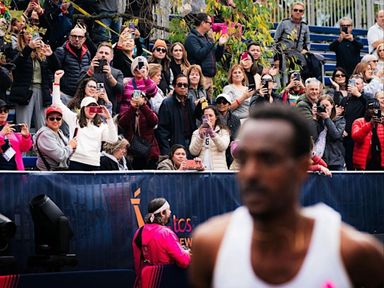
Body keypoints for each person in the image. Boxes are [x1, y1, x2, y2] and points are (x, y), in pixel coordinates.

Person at [190, 104, 384, 288]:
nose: (251, 173)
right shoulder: (211, 245)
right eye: (245, 159)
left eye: (268, 159)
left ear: (300, 168)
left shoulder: (349, 250)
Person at [52, 70, 118, 170]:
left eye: (94, 107)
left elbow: (113, 139)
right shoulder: (74, 119)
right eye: (89, 107)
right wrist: (56, 81)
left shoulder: (100, 125)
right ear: (83, 108)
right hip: (76, 161)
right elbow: (57, 104)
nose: (91, 110)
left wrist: (109, 118)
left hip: (94, 163)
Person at [132, 197, 191, 288]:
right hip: (165, 282)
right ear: (162, 213)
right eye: (168, 210)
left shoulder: (138, 233)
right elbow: (184, 261)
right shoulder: (166, 233)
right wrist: (187, 253)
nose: (170, 212)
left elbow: (137, 265)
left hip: (144, 284)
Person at [10, 30, 53, 130]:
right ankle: (23, 145)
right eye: (27, 33)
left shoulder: (42, 53)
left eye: (33, 34)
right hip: (25, 91)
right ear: (21, 36)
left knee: (42, 125)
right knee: (23, 125)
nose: (30, 36)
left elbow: (55, 68)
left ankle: (41, 145)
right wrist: (28, 48)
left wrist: (51, 55)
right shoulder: (16, 50)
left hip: (41, 90)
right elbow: (15, 65)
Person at [184, 12, 228, 96]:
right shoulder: (192, 38)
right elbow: (199, 54)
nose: (211, 25)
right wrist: (211, 42)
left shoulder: (207, 38)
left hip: (210, 78)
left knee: (209, 105)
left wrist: (220, 45)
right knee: (201, 102)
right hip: (199, 77)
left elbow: (217, 58)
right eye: (210, 23)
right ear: (203, 23)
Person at [118, 89, 160, 170]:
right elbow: (122, 123)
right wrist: (132, 108)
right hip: (133, 151)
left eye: (141, 97)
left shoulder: (148, 111)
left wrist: (143, 106)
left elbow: (154, 121)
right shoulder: (128, 111)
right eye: (135, 97)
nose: (137, 99)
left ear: (145, 100)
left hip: (149, 150)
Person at [49, 26, 91, 103]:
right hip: (64, 94)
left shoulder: (87, 53)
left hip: (80, 96)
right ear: (69, 37)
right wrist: (55, 89)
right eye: (74, 36)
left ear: (84, 39)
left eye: (80, 37)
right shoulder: (61, 51)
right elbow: (52, 70)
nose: (77, 39)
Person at [79, 41, 124, 115]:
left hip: (107, 112)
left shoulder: (117, 72)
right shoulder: (86, 69)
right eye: (101, 52)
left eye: (106, 53)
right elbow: (78, 86)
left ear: (111, 57)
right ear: (96, 54)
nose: (103, 55)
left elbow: (120, 91)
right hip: (86, 111)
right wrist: (90, 71)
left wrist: (109, 76)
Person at [157, 74, 197, 155]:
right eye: (179, 85)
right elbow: (162, 130)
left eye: (185, 85)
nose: (182, 87)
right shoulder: (167, 103)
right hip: (174, 144)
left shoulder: (190, 102)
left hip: (190, 143)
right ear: (174, 86)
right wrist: (167, 151)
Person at [33, 105, 77, 171]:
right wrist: (70, 146)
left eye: (58, 118)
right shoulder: (45, 134)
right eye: (52, 118)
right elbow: (60, 156)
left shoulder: (59, 131)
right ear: (46, 120)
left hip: (57, 173)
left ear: (62, 120)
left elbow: (67, 154)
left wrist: (73, 147)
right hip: (46, 174)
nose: (55, 121)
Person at [189, 106, 230, 170]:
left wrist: (212, 134)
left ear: (216, 117)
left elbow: (223, 147)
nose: (208, 118)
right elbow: (193, 152)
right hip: (202, 170)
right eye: (205, 116)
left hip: (218, 170)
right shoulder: (196, 132)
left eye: (210, 115)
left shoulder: (223, 131)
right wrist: (200, 137)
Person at [340, 74, 367, 170]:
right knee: (349, 163)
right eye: (353, 83)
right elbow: (340, 117)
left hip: (361, 137)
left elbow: (371, 106)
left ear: (362, 85)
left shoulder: (365, 98)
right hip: (347, 137)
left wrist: (358, 95)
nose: (355, 86)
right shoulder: (345, 100)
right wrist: (342, 129)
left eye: (358, 84)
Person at [274, 2, 310, 72]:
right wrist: (277, 56)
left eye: (300, 11)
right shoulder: (284, 23)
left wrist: (306, 50)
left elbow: (307, 42)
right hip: (284, 53)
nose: (298, 12)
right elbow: (276, 40)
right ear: (292, 11)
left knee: (308, 67)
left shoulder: (305, 26)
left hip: (298, 54)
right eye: (295, 10)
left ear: (303, 13)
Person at [351, 96, 384, 170]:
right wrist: (370, 124)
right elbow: (356, 137)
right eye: (371, 108)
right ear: (366, 110)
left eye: (376, 109)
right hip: (364, 164)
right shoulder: (358, 122)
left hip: (380, 163)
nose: (373, 111)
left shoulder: (381, 123)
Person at [0, 99, 32, 170]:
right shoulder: (5, 129)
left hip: (14, 172)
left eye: (6, 111)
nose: (3, 113)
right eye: (0, 111)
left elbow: (25, 148)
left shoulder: (11, 128)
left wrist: (26, 137)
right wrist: (1, 135)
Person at [316, 95, 346, 170]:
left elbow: (336, 135)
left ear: (332, 105)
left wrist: (327, 119)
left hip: (335, 160)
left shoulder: (340, 120)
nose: (325, 108)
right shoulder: (316, 121)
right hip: (319, 159)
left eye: (327, 105)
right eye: (322, 106)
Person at [215, 93, 240, 167]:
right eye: (219, 102)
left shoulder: (235, 119)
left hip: (230, 148)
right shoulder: (212, 117)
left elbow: (236, 135)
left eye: (224, 102)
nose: (221, 104)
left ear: (229, 105)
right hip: (216, 146)